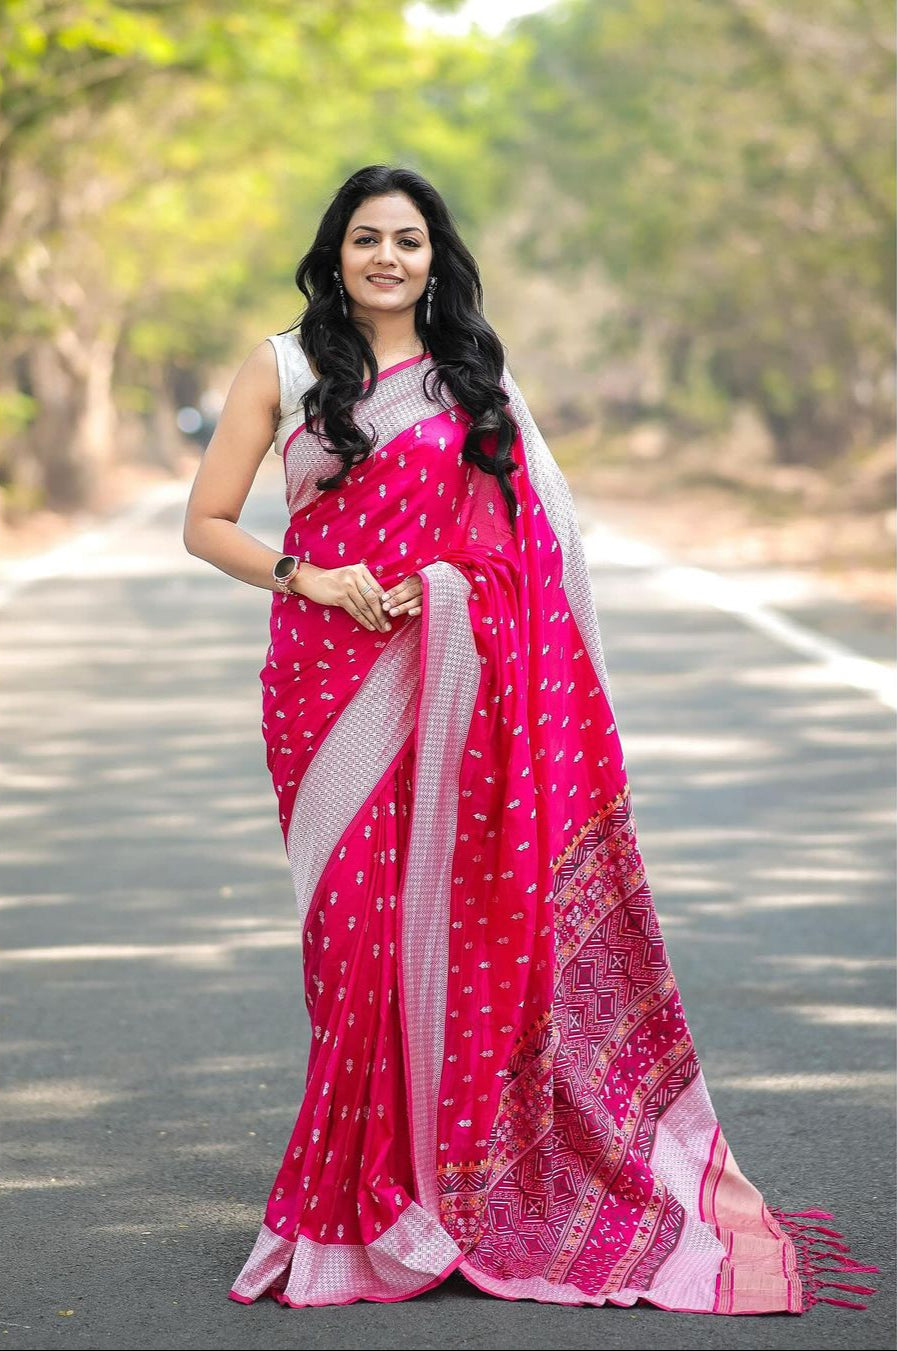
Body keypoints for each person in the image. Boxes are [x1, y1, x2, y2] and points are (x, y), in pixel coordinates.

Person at [182, 165, 875, 1314]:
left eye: (409, 240)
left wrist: (455, 589)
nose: (388, 259)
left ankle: (451, 1195)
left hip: (458, 683)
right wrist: (317, 576)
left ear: (436, 257)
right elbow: (205, 525)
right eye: (367, 239)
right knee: (354, 955)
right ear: (334, 253)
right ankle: (356, 1209)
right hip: (328, 685)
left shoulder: (474, 378)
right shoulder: (285, 368)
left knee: (454, 934)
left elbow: (531, 543)